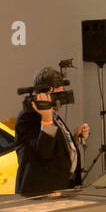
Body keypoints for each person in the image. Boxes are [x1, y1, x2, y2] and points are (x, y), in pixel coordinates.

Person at [14, 66, 90, 196]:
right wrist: (47, 119)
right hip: (41, 194)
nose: (63, 92)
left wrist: (75, 138)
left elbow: (56, 148)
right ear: (50, 90)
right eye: (59, 88)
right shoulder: (28, 117)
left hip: (61, 188)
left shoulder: (51, 114)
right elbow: (44, 152)